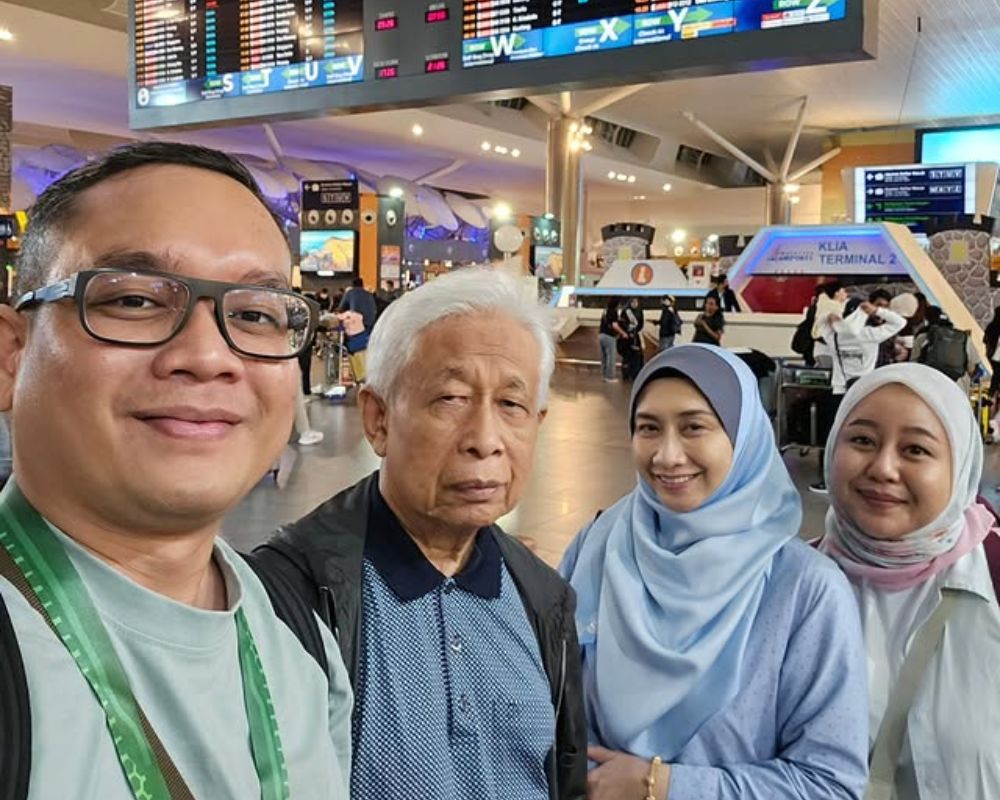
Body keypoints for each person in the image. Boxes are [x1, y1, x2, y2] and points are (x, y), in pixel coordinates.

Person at [0, 142, 352, 797]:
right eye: (135, 301)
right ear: (11, 355)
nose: (208, 356)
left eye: (254, 313)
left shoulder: (298, 636)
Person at [252, 268, 588, 800]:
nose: (485, 439)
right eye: (451, 398)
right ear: (378, 419)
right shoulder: (290, 596)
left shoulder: (543, 600)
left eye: (511, 405)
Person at [560, 346, 868, 800]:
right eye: (649, 428)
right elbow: (546, 709)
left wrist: (662, 786)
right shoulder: (596, 548)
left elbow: (830, 785)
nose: (667, 456)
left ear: (743, 437)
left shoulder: (805, 590)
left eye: (694, 427)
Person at [819, 364, 1000, 800]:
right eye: (862, 440)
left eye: (916, 449)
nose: (883, 468)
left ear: (959, 465)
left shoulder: (994, 573)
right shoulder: (787, 585)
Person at [809, 298, 907, 495]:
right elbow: (900, 322)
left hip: (839, 391)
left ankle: (827, 480)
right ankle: (861, 476)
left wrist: (830, 318)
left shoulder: (835, 337)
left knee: (834, 437)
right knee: (864, 437)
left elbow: (820, 325)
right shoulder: (869, 335)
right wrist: (876, 311)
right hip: (864, 392)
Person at [911, 307, 979, 393]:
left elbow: (914, 364)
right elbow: (972, 368)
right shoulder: (963, 338)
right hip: (957, 388)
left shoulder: (922, 337)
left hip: (929, 386)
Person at [598, 297, 627, 382]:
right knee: (611, 357)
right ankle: (610, 377)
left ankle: (604, 375)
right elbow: (614, 325)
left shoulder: (605, 310)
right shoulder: (613, 311)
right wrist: (623, 333)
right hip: (609, 336)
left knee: (604, 357)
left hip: (601, 335)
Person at [620, 298, 646, 382]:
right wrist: (628, 331)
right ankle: (626, 374)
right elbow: (622, 323)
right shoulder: (625, 311)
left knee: (637, 355)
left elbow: (641, 324)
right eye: (633, 302)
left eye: (636, 302)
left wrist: (635, 331)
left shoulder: (639, 311)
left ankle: (635, 373)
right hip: (626, 337)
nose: (635, 304)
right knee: (627, 356)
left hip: (636, 336)